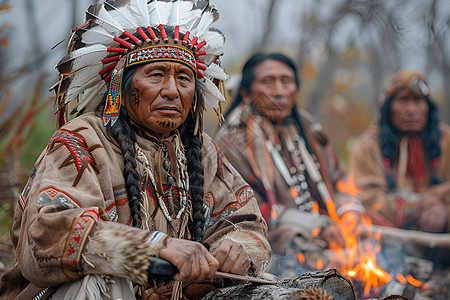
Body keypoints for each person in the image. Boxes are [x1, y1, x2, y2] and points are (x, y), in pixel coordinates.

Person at [0, 1, 270, 299]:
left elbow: (247, 222)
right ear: (121, 85)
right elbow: (46, 233)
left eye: (184, 78)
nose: (172, 90)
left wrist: (235, 248)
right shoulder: (82, 140)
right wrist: (155, 246)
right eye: (156, 74)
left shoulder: (202, 150)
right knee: (99, 281)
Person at [215, 53, 364, 273]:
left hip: (335, 234)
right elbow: (243, 209)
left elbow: (341, 182)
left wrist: (349, 214)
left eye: (286, 82)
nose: (279, 91)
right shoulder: (232, 140)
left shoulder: (309, 132)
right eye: (268, 82)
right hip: (280, 247)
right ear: (246, 92)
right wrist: (313, 227)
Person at [348, 70, 450, 233]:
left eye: (418, 101)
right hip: (388, 239)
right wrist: (421, 205)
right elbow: (368, 199)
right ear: (389, 108)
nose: (411, 110)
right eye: (402, 100)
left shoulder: (446, 140)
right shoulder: (368, 145)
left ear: (428, 108)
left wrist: (444, 209)